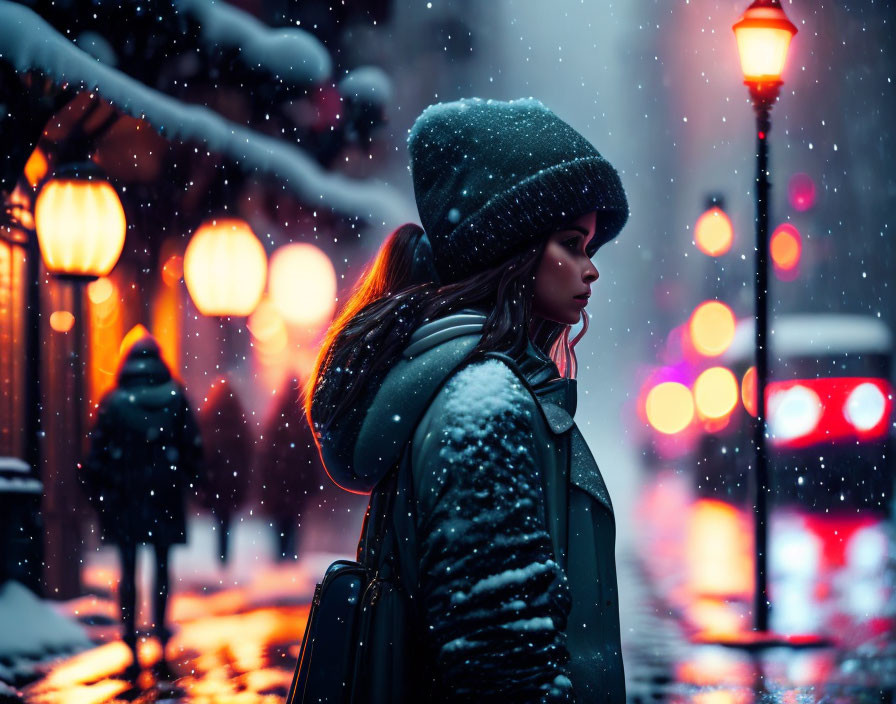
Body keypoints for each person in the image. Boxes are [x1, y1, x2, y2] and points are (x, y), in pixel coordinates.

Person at [304, 97, 628, 703]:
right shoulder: (485, 406)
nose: (590, 269)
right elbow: (503, 661)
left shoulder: (473, 389)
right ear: (514, 249)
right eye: (571, 243)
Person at [82, 335, 202, 680]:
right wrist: (182, 481)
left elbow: (97, 455)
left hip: (127, 498)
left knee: (128, 570)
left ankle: (131, 640)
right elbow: (193, 448)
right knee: (162, 568)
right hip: (165, 497)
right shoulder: (177, 398)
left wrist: (103, 490)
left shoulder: (114, 402)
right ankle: (161, 637)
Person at [195, 378, 252, 564]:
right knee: (226, 519)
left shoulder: (210, 417)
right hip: (232, 479)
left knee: (220, 517)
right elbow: (247, 451)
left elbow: (203, 449)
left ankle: (221, 555)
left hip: (216, 479)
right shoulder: (238, 417)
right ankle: (224, 555)